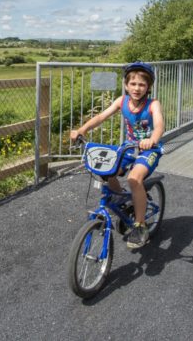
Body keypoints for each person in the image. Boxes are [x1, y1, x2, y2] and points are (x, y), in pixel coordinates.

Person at [70, 62, 164, 249]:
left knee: (134, 178)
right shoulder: (122, 101)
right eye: (133, 84)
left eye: (142, 85)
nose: (137, 88)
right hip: (129, 147)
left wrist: (152, 139)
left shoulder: (153, 104)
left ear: (148, 87)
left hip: (149, 149)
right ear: (126, 85)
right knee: (106, 169)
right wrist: (81, 130)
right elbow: (101, 117)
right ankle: (121, 198)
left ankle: (140, 225)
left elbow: (160, 124)